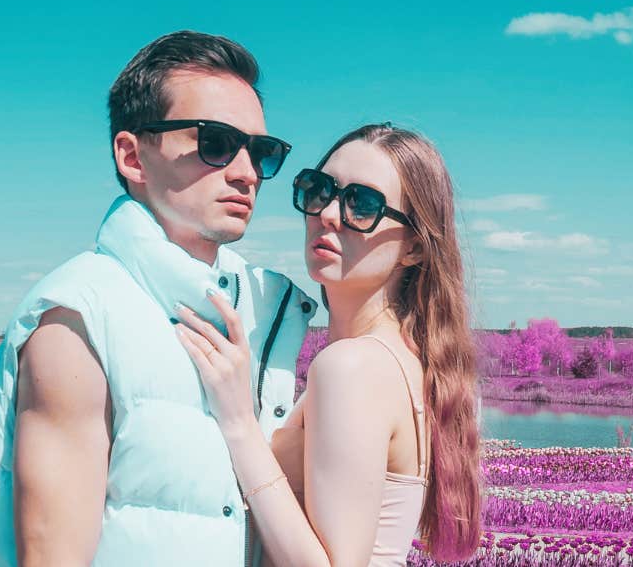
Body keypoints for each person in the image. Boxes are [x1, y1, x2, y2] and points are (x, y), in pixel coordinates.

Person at [0, 31, 318, 567]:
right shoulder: (79, 317)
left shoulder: (263, 311)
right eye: (215, 143)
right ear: (133, 156)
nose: (244, 173)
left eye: (261, 151)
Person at [175, 124, 483, 566]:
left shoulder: (353, 367)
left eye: (363, 204)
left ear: (414, 246)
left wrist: (240, 422)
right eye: (319, 190)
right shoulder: (404, 360)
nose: (330, 214)